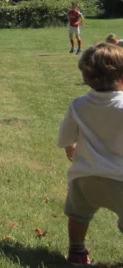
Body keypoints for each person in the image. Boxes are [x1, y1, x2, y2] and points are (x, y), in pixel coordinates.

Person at [57, 43, 123, 265]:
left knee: (78, 215)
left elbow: (66, 139)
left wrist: (70, 147)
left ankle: (77, 252)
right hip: (121, 179)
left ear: (85, 76)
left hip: (85, 177)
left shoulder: (78, 105)